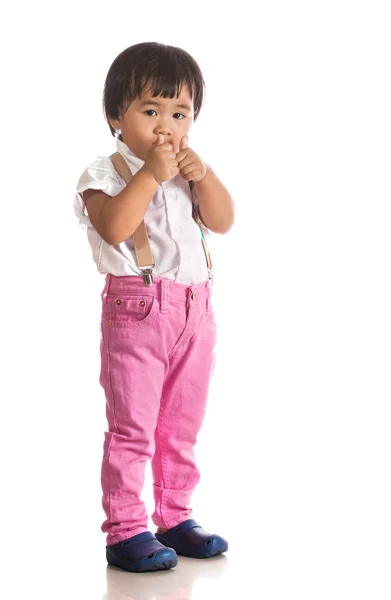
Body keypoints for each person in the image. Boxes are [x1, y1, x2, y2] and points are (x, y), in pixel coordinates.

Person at [73, 42, 235, 573]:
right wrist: (149, 176)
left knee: (181, 424)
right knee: (133, 426)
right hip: (138, 311)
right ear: (117, 116)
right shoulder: (107, 172)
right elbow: (115, 226)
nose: (166, 126)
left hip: (196, 309)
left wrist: (202, 175)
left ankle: (175, 515)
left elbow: (223, 219)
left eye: (179, 113)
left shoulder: (190, 170)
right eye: (150, 111)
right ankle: (125, 529)